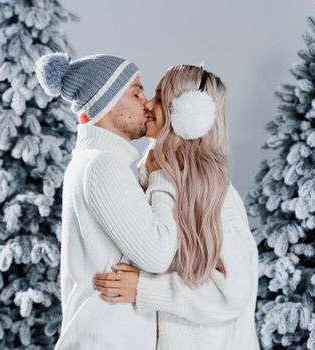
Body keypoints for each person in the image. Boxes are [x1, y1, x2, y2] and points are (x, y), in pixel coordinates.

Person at [93, 64, 260, 349]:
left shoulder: (215, 194)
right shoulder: (159, 179)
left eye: (159, 98)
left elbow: (232, 293)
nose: (147, 104)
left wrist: (145, 290)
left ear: (185, 115)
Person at [35, 52, 179, 350]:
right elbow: (157, 254)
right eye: (137, 92)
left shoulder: (96, 163)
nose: (147, 103)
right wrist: (162, 178)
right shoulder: (103, 166)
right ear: (108, 101)